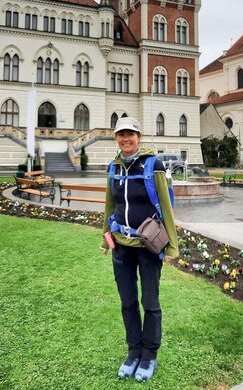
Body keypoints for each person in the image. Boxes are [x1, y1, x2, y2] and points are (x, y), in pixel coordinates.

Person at [101, 117, 179, 382]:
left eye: (130, 134)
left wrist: (171, 247)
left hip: (147, 246)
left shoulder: (152, 165)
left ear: (139, 137)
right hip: (121, 246)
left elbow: (167, 208)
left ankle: (149, 356)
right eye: (121, 134)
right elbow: (110, 205)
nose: (126, 139)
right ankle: (133, 352)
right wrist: (105, 238)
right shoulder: (113, 167)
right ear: (116, 138)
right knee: (128, 302)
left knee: (150, 302)